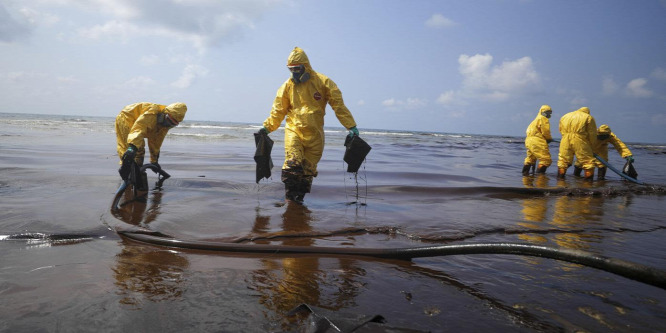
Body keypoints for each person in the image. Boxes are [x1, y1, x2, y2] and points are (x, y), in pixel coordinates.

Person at [259, 47, 359, 203]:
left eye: (297, 69)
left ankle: (298, 201)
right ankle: (289, 198)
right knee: (292, 164)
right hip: (294, 130)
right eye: (291, 69)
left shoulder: (324, 82)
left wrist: (350, 126)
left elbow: (338, 105)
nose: (294, 73)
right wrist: (268, 127)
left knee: (308, 171)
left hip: (315, 134)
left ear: (306, 66)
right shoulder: (287, 86)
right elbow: (279, 110)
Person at [115, 102, 187, 180]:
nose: (168, 125)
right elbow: (139, 129)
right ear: (164, 114)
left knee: (139, 151)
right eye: (168, 121)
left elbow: (156, 141)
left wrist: (154, 160)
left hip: (137, 125)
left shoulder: (165, 125)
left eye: (172, 124)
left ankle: (137, 171)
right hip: (126, 118)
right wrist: (132, 148)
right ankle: (126, 171)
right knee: (133, 149)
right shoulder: (152, 113)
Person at [556, 106, 597, 179]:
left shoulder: (565, 116)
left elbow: (561, 129)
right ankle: (588, 185)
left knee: (563, 161)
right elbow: (592, 133)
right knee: (588, 162)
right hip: (579, 139)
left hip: (565, 139)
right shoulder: (588, 117)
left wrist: (566, 136)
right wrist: (592, 146)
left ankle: (560, 182)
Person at [522, 105, 554, 175]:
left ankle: (525, 175)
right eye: (547, 112)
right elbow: (545, 131)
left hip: (528, 141)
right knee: (546, 160)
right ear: (542, 112)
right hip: (537, 140)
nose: (548, 114)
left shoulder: (535, 120)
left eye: (550, 112)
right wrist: (549, 139)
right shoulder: (543, 118)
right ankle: (540, 179)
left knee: (530, 158)